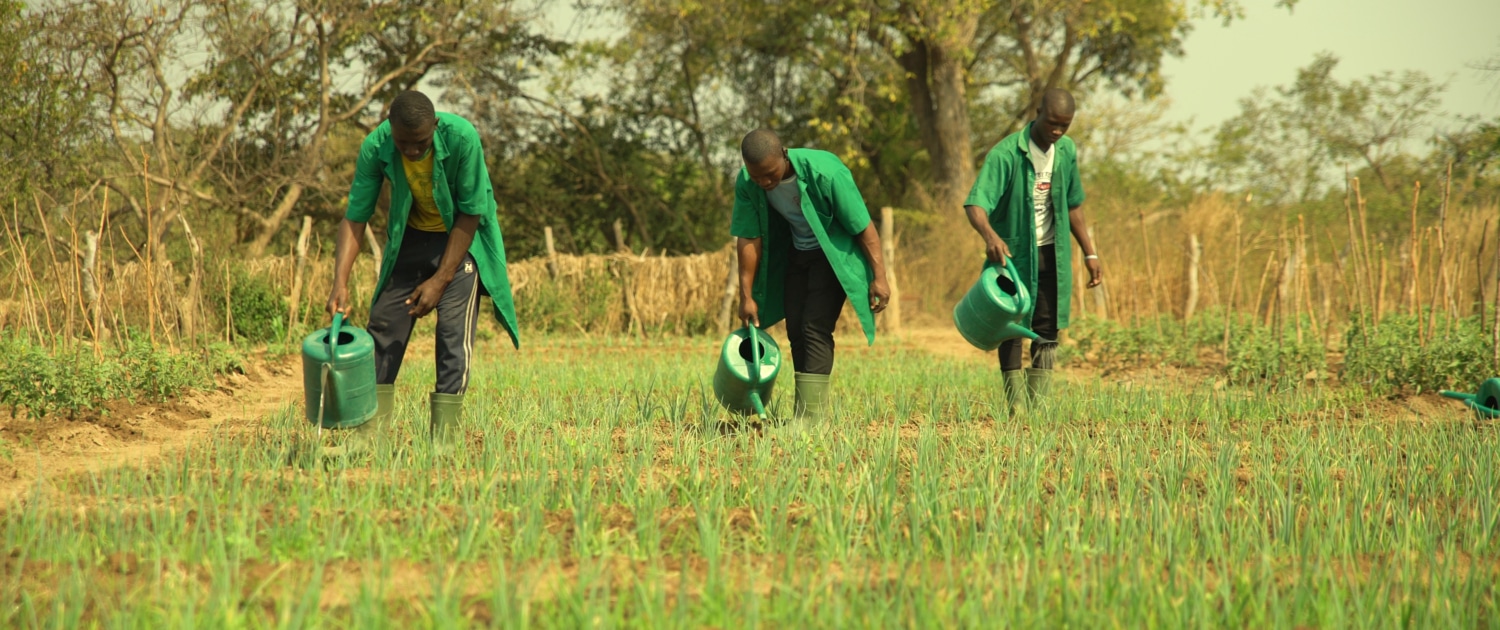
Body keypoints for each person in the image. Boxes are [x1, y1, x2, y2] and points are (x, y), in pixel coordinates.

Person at [326, 90, 519, 449]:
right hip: (410, 240)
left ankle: (444, 442)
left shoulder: (462, 138)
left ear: (435, 126)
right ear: (390, 129)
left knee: (452, 338)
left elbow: (471, 211)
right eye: (404, 143)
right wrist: (340, 281)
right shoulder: (376, 146)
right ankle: (368, 436)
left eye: (421, 142)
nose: (412, 151)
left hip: (460, 240)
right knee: (383, 329)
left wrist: (441, 280)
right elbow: (355, 216)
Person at [731, 129, 891, 423]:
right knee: (795, 329)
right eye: (757, 177)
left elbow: (863, 226)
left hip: (833, 254)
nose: (764, 182)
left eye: (770, 174)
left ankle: (812, 419)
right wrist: (746, 296)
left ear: (784, 155)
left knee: (814, 328)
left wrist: (879, 277)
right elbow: (749, 238)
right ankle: (804, 413)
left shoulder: (826, 172)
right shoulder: (747, 182)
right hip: (797, 253)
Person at [962, 88, 1102, 411]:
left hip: (1052, 253)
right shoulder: (1006, 154)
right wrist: (990, 236)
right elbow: (975, 205)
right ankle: (1016, 408)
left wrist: (1090, 253)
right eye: (1052, 122)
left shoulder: (1066, 151)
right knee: (1011, 324)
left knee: (1047, 328)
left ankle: (1037, 408)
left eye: (1064, 125)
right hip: (1014, 256)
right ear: (1037, 113)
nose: (1057, 131)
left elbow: (1074, 205)